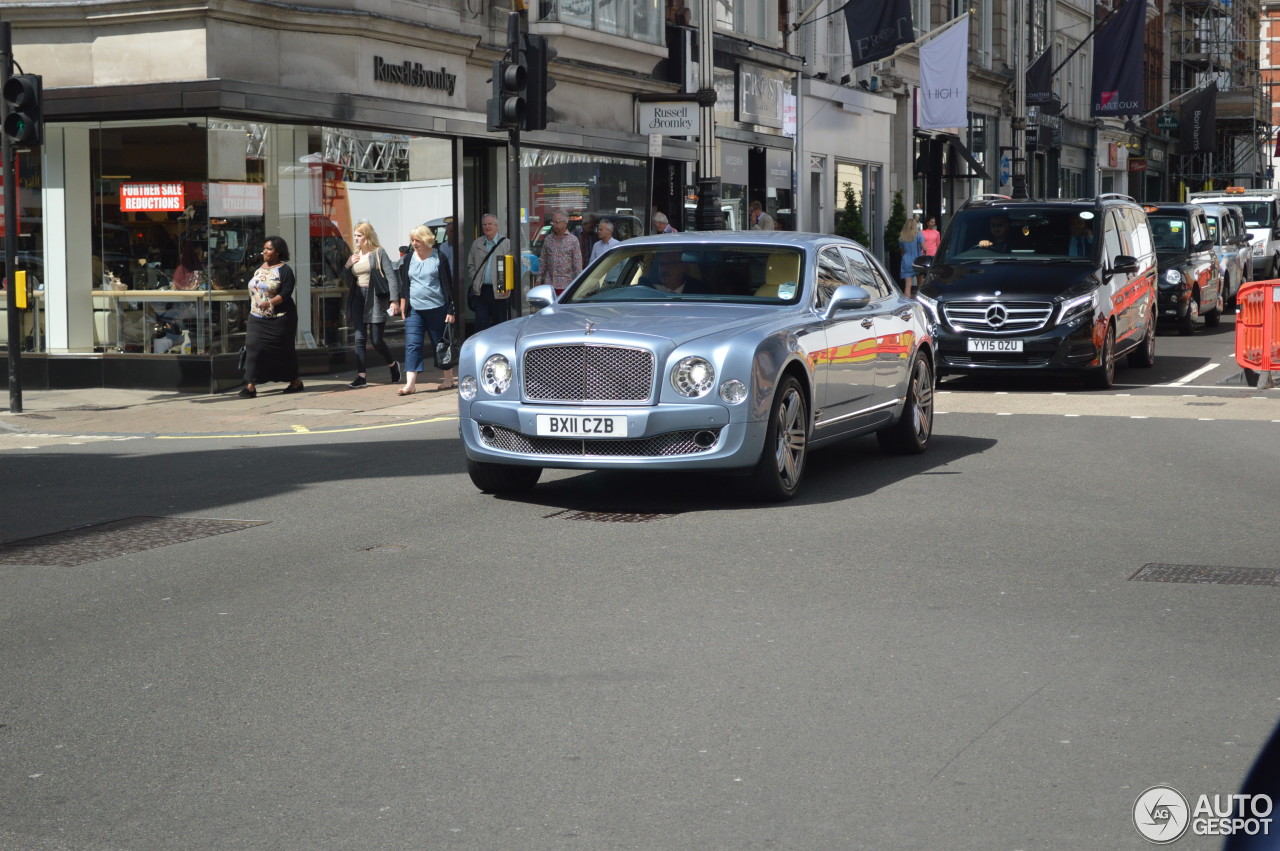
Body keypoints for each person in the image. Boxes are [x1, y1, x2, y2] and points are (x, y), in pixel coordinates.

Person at [239, 236, 303, 398]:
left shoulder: (285, 270)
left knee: (283, 351)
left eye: (269, 249)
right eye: (264, 248)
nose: (265, 252)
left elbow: (286, 293)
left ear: (278, 252)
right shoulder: (258, 268)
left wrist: (270, 303)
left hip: (280, 318)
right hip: (257, 317)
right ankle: (250, 385)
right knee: (253, 347)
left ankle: (295, 381)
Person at [395, 225, 455, 395]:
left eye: (418, 240)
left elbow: (447, 285)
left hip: (437, 308)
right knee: (412, 344)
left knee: (440, 344)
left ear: (427, 240)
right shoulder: (408, 259)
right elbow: (405, 284)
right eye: (412, 240)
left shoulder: (438, 257)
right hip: (415, 309)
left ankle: (448, 378)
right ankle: (410, 384)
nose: (414, 243)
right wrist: (403, 305)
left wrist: (450, 310)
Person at [344, 221, 402, 388]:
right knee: (359, 338)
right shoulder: (355, 254)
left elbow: (391, 277)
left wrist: (394, 300)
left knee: (376, 340)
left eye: (359, 235)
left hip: (375, 298)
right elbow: (347, 278)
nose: (356, 239)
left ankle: (392, 365)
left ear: (367, 236)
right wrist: (348, 265)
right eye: (355, 235)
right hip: (358, 298)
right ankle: (361, 376)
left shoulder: (378, 253)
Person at [466, 213, 511, 332]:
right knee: (481, 324)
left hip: (499, 290)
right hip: (481, 291)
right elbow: (471, 265)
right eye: (484, 224)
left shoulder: (505, 243)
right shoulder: (477, 243)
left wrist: (506, 285)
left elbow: (509, 266)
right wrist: (475, 280)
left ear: (497, 226)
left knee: (499, 324)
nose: (487, 227)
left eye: (490, 224)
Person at [537, 208, 583, 296]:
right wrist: (539, 280)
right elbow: (543, 261)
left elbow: (577, 264)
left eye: (556, 222)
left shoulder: (573, 240)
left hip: (566, 285)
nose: (554, 225)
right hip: (549, 285)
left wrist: (579, 285)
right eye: (553, 222)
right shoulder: (548, 239)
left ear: (565, 223)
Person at [898, 215, 926, 297]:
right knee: (920, 284)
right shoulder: (919, 235)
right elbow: (925, 248)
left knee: (908, 286)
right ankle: (920, 303)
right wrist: (924, 252)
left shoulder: (902, 237)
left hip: (906, 260)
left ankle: (908, 304)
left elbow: (902, 251)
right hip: (917, 261)